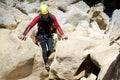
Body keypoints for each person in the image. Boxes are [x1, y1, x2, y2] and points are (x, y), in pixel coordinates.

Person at [18, 4, 68, 71]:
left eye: (46, 14)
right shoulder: (38, 18)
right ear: (40, 13)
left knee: (50, 49)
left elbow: (57, 26)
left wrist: (62, 34)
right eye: (43, 14)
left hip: (49, 35)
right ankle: (46, 63)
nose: (44, 16)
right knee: (44, 50)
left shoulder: (52, 17)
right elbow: (30, 26)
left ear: (48, 12)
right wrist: (24, 34)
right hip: (40, 36)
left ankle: (45, 57)